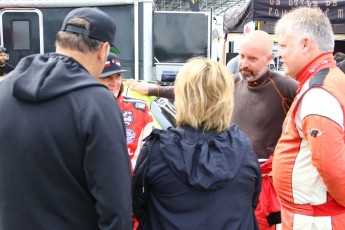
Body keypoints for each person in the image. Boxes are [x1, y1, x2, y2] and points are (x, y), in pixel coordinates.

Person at [0, 7, 132, 230]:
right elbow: (115, 205)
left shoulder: (7, 88)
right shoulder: (97, 102)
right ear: (104, 50)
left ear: (60, 41)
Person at [132, 57, 261, 230]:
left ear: (182, 96)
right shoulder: (243, 147)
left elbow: (138, 206)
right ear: (226, 99)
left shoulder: (156, 150)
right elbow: (250, 201)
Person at [273, 7, 345, 229]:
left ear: (305, 44)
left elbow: (333, 169)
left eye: (283, 45)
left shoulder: (318, 93)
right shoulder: (330, 80)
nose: (278, 53)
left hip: (315, 219)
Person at [233, 30, 298, 230]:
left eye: (252, 59)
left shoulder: (286, 86)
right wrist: (152, 90)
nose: (244, 63)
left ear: (269, 59)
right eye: (241, 56)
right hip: (234, 178)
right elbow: (194, 91)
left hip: (269, 185)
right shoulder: (232, 81)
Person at [97, 53, 153, 171]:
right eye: (107, 77)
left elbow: (147, 153)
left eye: (117, 76)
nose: (114, 82)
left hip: (132, 182)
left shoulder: (140, 108)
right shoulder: (83, 110)